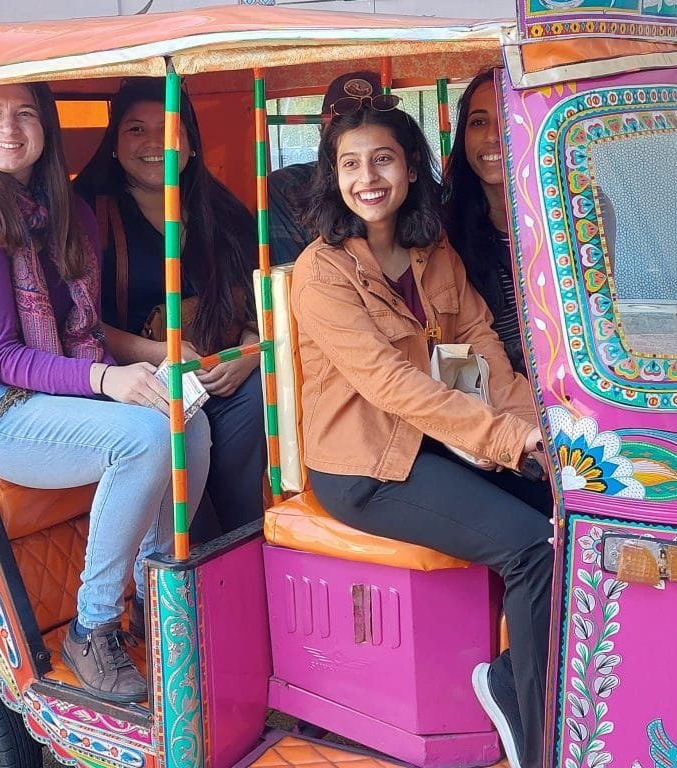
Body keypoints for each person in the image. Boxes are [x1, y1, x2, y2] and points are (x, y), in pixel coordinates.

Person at [291, 100, 552, 768]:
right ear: (334, 176)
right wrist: (505, 440)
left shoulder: (429, 249)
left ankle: (524, 673)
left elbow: (476, 340)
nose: (367, 177)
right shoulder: (323, 271)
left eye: (382, 159)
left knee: (570, 508)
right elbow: (389, 385)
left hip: (435, 436)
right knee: (530, 549)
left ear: (410, 168)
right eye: (350, 164)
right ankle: (540, 738)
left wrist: (537, 429)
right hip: (366, 463)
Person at [0, 82, 211, 704]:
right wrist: (107, 380)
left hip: (72, 390)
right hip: (4, 409)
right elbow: (2, 357)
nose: (9, 128)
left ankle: (155, 598)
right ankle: (92, 625)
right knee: (148, 435)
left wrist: (163, 360)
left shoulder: (71, 212)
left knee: (188, 415)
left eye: (24, 113)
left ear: (46, 126)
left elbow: (87, 329)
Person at [73, 78, 266, 540]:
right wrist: (161, 353)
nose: (153, 143)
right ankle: (190, 580)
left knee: (262, 396)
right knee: (186, 498)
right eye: (136, 130)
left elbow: (261, 301)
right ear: (115, 146)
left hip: (224, 376)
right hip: (135, 382)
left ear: (191, 144)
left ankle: (246, 549)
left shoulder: (225, 212)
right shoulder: (86, 214)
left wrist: (251, 350)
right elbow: (76, 321)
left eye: (169, 128)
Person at [443, 69, 526, 375]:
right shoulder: (441, 226)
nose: (493, 135)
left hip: (566, 386)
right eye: (478, 122)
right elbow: (456, 344)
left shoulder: (578, 207)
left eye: (508, 116)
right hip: (487, 393)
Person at [268, 71, 383, 265]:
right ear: (321, 130)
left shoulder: (407, 187)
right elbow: (290, 277)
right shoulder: (286, 187)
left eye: (370, 122)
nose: (357, 132)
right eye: (342, 125)